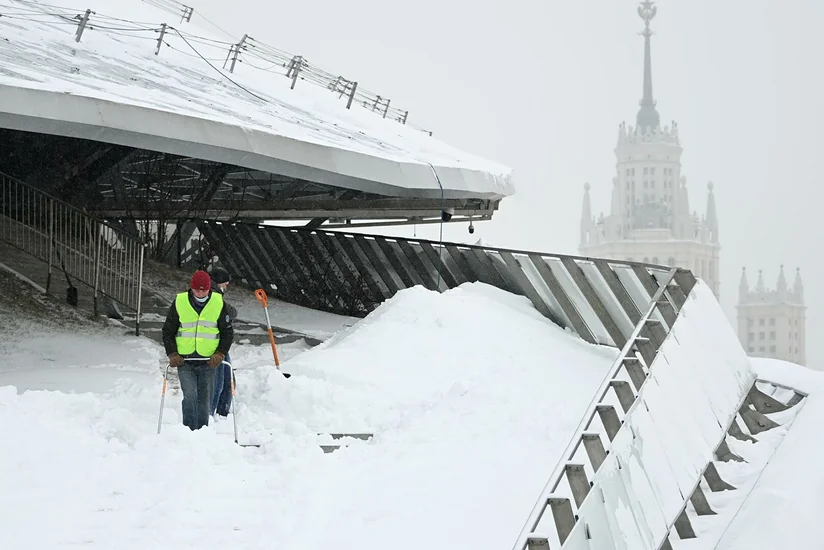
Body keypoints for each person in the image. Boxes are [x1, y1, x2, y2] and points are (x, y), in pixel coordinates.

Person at [162, 269, 234, 430]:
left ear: (210, 288)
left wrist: (220, 353)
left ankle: (202, 431)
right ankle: (188, 430)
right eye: (197, 289)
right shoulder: (180, 302)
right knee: (190, 395)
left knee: (205, 398)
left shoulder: (218, 303)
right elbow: (168, 330)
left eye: (204, 290)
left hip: (208, 361)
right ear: (191, 288)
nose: (200, 293)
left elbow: (227, 332)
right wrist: (172, 353)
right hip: (185, 360)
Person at [208, 266, 237, 418]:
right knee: (219, 382)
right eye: (225, 282)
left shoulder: (214, 294)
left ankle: (220, 412)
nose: (227, 285)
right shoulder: (213, 296)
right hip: (214, 344)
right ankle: (212, 413)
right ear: (219, 282)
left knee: (226, 377)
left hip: (219, 343)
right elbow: (230, 312)